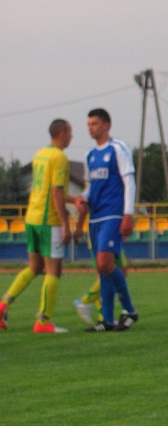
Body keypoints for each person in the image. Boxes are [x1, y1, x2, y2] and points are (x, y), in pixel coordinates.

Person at [0, 119, 77, 333]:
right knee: (54, 269)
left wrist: (74, 200)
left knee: (35, 267)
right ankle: (43, 321)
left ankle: (3, 305)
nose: (72, 136)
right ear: (61, 133)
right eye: (70, 132)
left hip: (32, 217)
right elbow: (56, 192)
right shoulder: (59, 157)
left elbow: (49, 189)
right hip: (47, 220)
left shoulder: (41, 154)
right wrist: (65, 223)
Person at [74, 108, 139, 332]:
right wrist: (83, 198)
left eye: (94, 124)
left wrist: (128, 215)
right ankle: (107, 320)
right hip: (96, 216)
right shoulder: (89, 155)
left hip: (114, 213)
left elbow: (129, 182)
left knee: (104, 263)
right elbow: (90, 186)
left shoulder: (118, 149)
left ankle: (130, 310)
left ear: (106, 125)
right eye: (88, 124)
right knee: (104, 269)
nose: (90, 128)